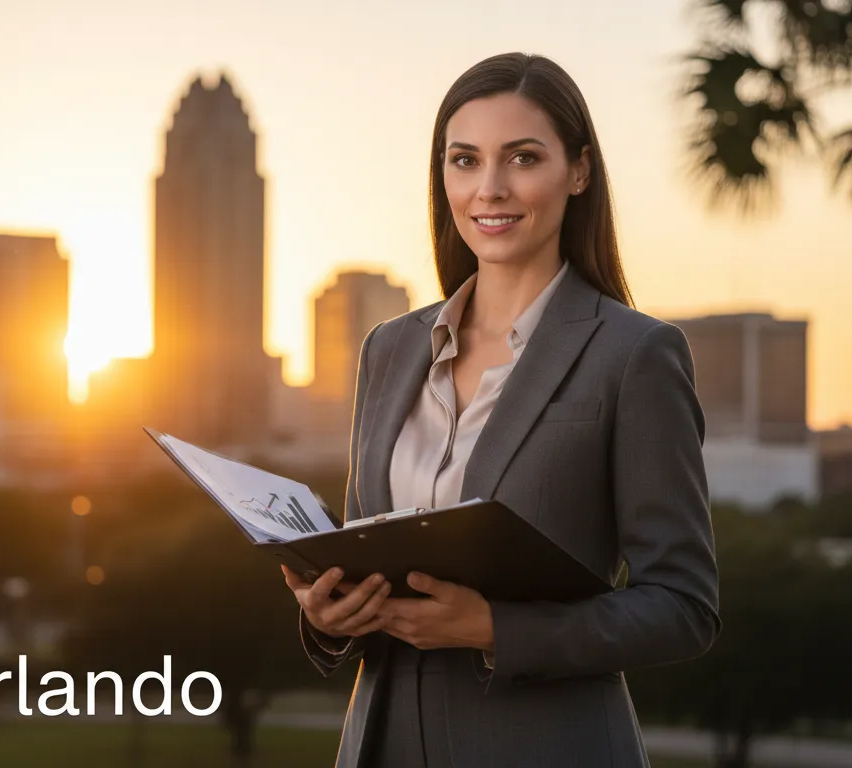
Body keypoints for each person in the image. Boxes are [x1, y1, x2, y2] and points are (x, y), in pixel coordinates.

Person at [280, 52, 721, 767]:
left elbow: (683, 607)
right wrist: (331, 615)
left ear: (579, 171)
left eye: (522, 158)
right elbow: (365, 556)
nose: (489, 188)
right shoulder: (389, 349)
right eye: (465, 160)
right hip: (382, 745)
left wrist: (495, 629)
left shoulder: (635, 354)